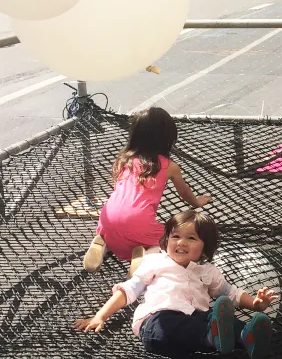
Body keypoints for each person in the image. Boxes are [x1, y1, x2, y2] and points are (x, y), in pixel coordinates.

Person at [75, 210, 278, 359]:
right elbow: (129, 290)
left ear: (204, 247)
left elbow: (230, 293)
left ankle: (245, 337)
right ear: (166, 240)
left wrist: (256, 303)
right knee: (174, 327)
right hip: (157, 320)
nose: (181, 242)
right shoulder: (155, 262)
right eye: (176, 236)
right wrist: (100, 316)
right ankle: (214, 336)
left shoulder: (208, 271)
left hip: (198, 319)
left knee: (218, 318)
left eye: (191, 238)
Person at [83, 107, 213, 278]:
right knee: (167, 241)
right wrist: (196, 202)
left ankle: (101, 244)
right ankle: (144, 260)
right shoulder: (169, 166)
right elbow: (184, 192)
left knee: (116, 232)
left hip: (108, 219)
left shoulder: (123, 159)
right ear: (166, 138)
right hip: (138, 222)